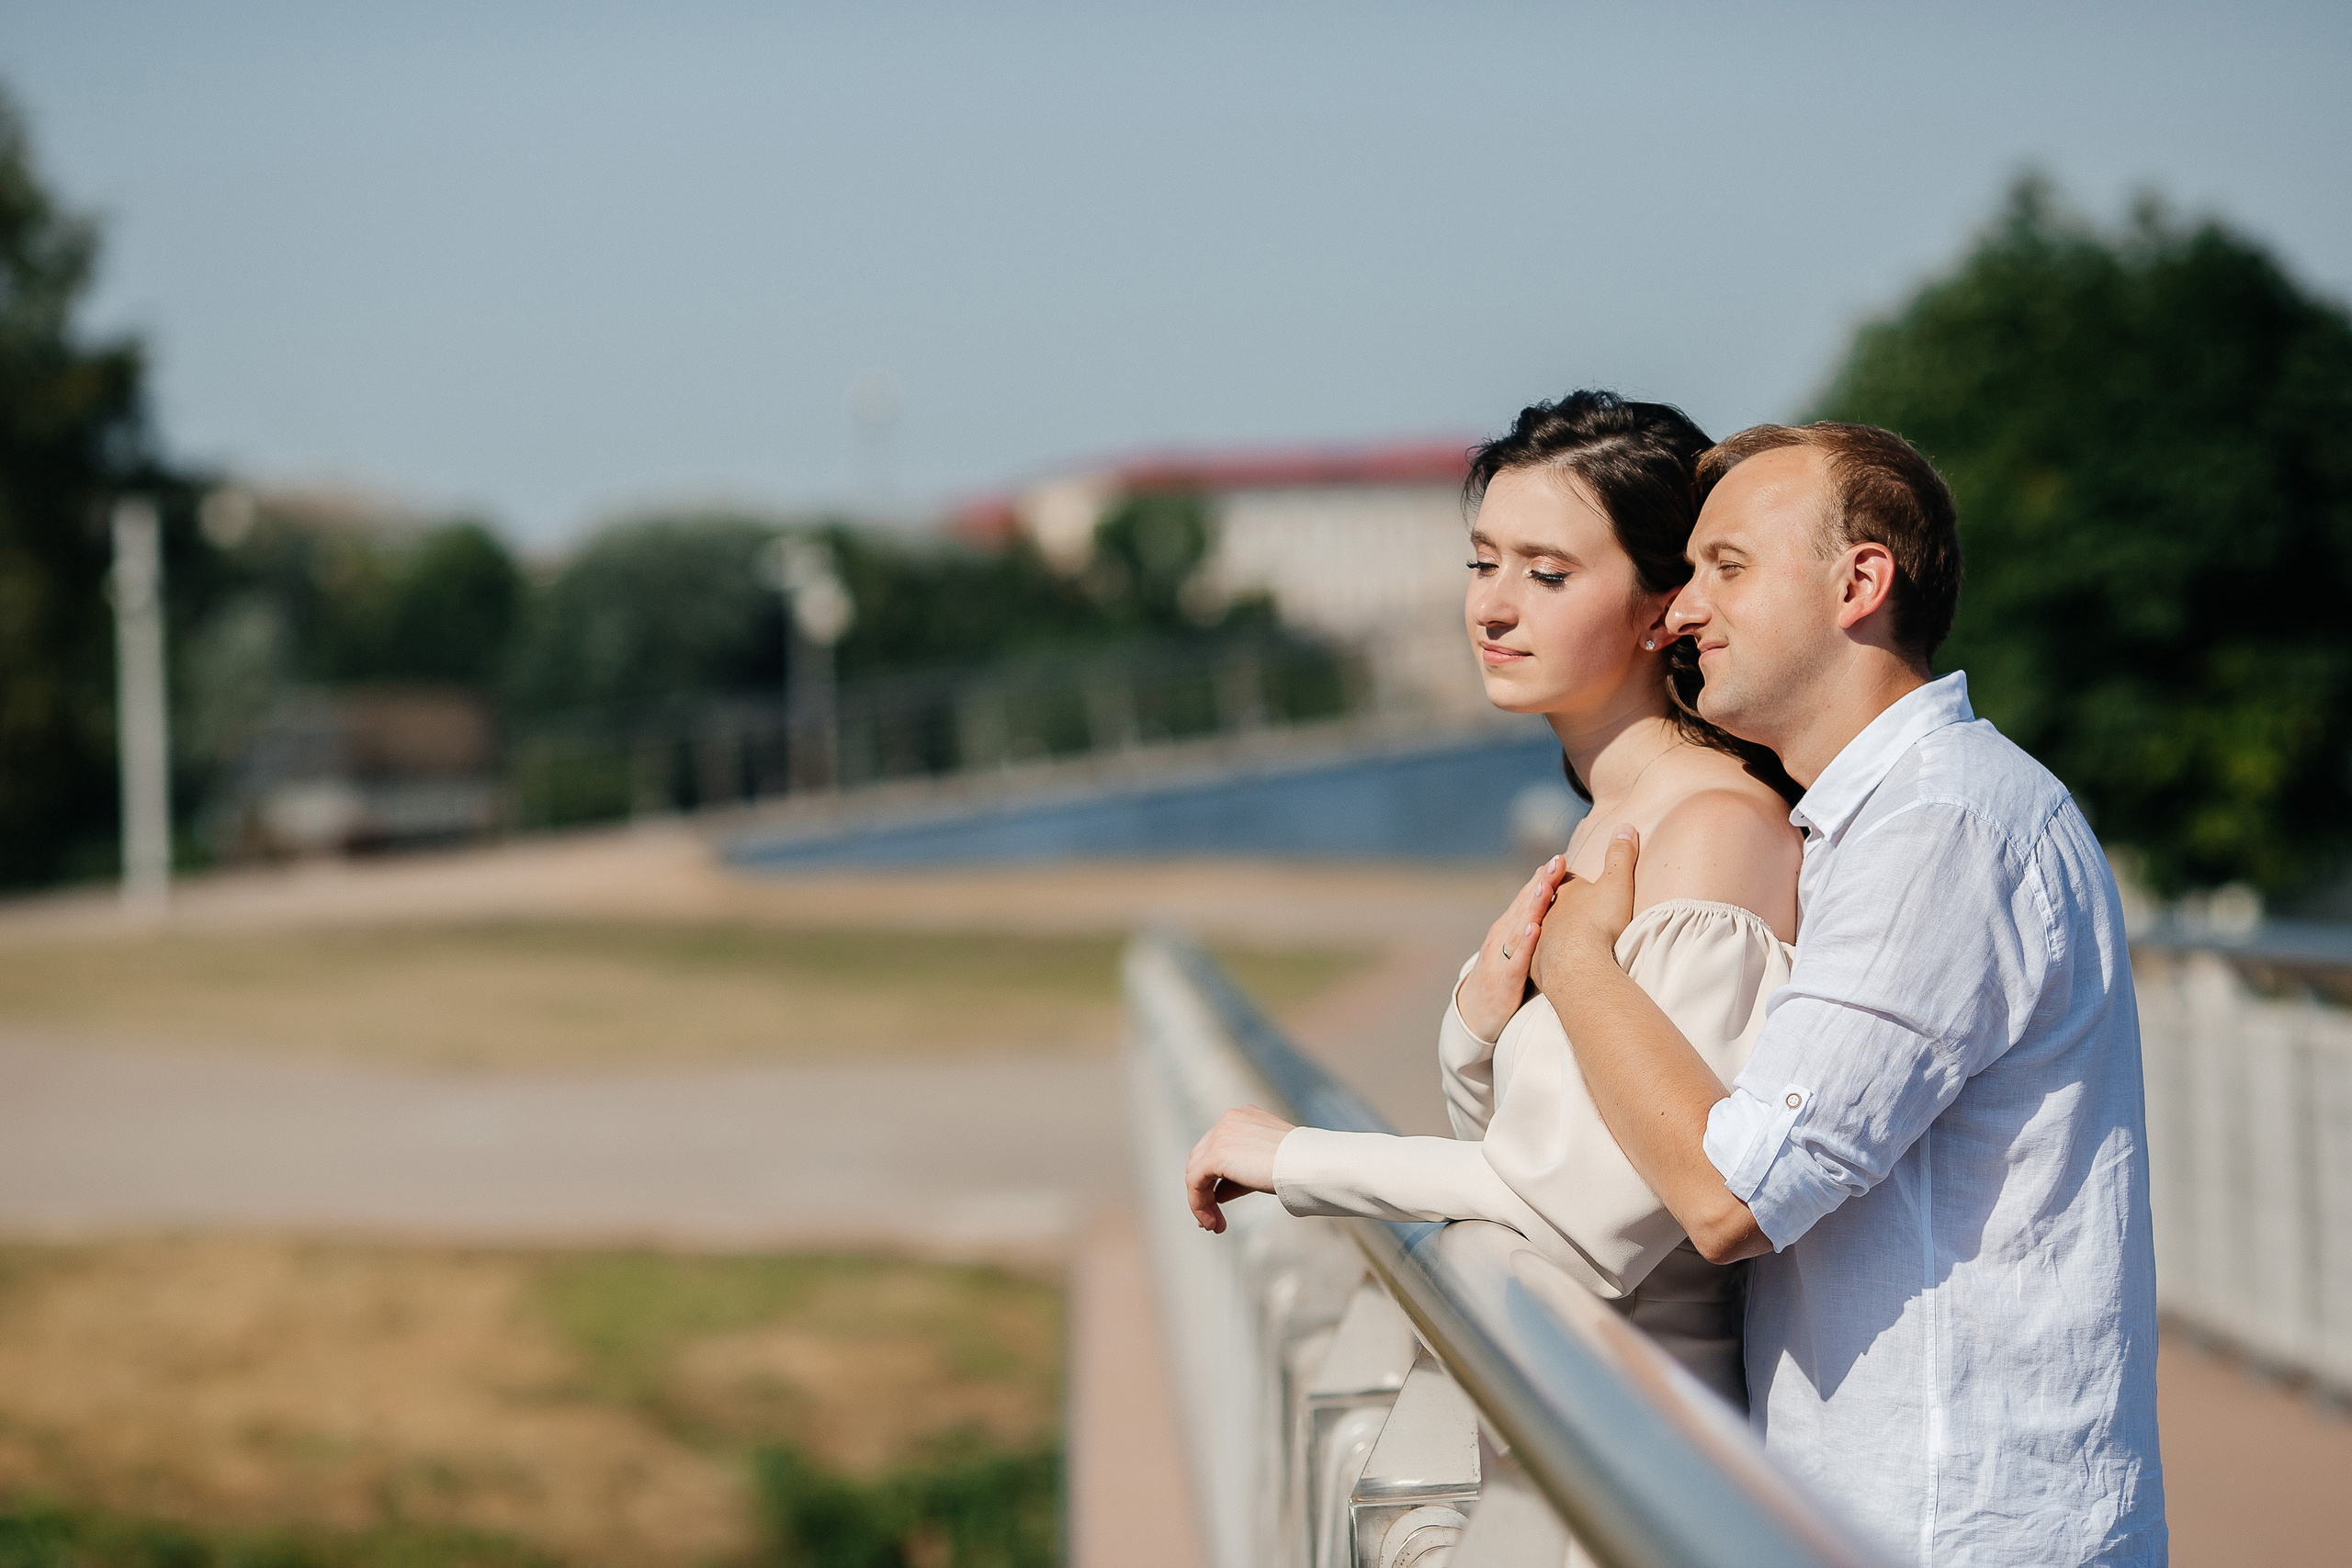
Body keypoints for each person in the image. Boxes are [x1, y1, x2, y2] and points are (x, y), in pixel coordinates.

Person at [1528, 423, 2165, 1564]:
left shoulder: (1941, 829)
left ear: (1858, 582)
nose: (1679, 613)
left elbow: (1733, 1197)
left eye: (1726, 567)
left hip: (1950, 1527)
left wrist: (1576, 964)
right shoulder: (1888, 822)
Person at [1182, 389, 1804, 1404]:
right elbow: (1528, 1152)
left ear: (1663, 608)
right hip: (1575, 1411)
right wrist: (1473, 1037)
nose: (1491, 606)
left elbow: (1595, 1213)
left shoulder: (1710, 832)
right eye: (1482, 561)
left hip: (1648, 1452)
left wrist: (1296, 1159)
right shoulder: (1613, 819)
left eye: (1546, 573)